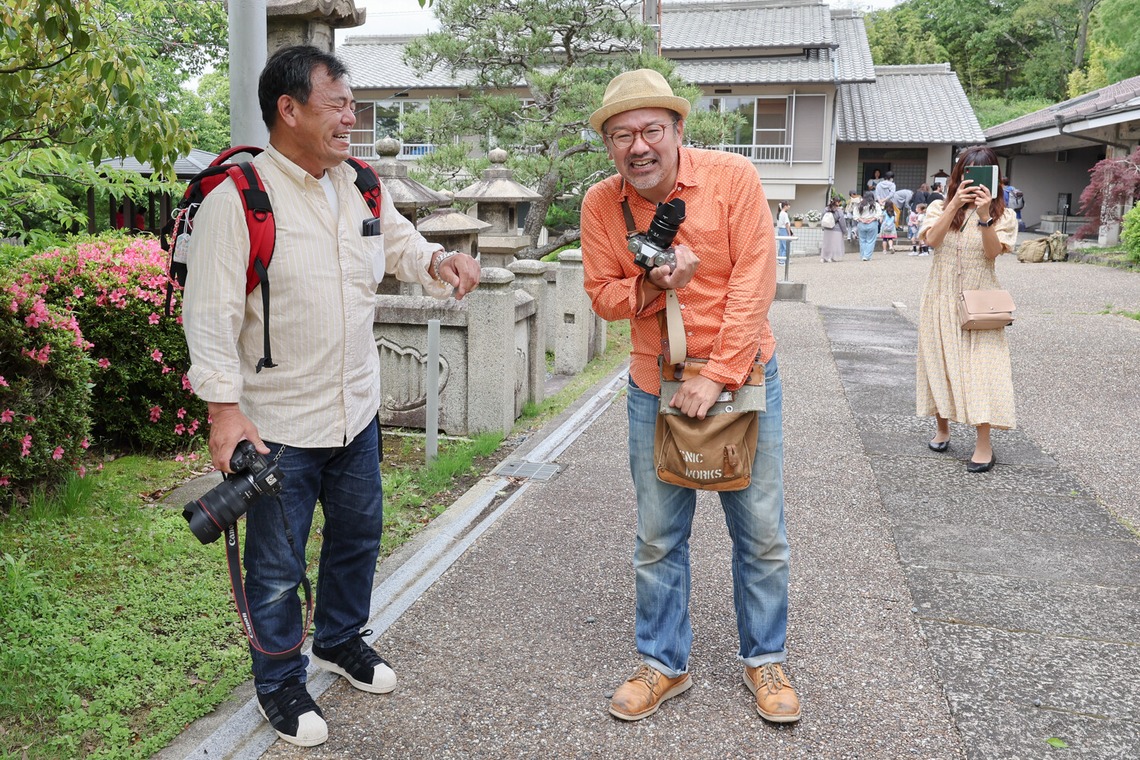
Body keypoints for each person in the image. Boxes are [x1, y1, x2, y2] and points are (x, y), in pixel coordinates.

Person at [181, 46, 481, 748]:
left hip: (357, 412)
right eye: (338, 104)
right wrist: (223, 410)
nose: (352, 118)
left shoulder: (360, 184)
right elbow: (210, 315)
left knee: (357, 537)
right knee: (276, 567)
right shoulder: (240, 199)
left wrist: (440, 261)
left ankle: (340, 640)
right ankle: (280, 683)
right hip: (278, 424)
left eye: (353, 105)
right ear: (289, 109)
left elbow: (400, 246)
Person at [580, 69, 799, 725]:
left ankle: (765, 658)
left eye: (651, 129)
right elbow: (602, 295)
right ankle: (663, 663)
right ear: (610, 145)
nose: (637, 146)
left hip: (743, 376)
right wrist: (653, 286)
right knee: (658, 535)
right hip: (655, 382)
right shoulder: (601, 203)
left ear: (678, 130)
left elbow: (755, 280)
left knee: (760, 532)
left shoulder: (733, 178)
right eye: (621, 135)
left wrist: (718, 372)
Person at [915, 145, 1018, 474]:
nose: (974, 183)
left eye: (982, 175)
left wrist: (985, 216)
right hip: (940, 296)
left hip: (981, 300)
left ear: (995, 178)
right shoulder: (938, 206)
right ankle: (942, 429)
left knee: (982, 370)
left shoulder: (1003, 214)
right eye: (967, 175)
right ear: (958, 177)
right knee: (939, 363)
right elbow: (931, 241)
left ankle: (984, 444)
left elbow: (992, 254)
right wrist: (954, 205)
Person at [854, 191, 881, 261]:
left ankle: (863, 255)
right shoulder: (876, 204)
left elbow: (855, 215)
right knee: (870, 241)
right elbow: (879, 214)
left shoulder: (859, 205)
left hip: (861, 224)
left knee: (862, 241)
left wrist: (862, 220)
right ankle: (867, 256)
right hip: (872, 223)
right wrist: (872, 219)